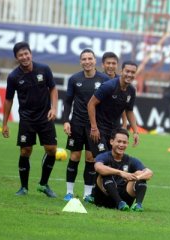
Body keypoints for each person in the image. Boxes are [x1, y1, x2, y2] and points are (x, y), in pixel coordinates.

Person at [2, 42, 58, 198]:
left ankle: (43, 184)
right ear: (16, 58)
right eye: (20, 55)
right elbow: (8, 100)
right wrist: (4, 123)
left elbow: (53, 88)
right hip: (27, 119)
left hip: (45, 117)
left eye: (26, 53)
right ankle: (23, 188)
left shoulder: (44, 69)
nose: (24, 57)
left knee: (52, 149)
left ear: (31, 54)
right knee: (25, 150)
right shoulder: (13, 76)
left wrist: (53, 108)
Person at [62, 49, 110, 202]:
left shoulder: (104, 79)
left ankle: (87, 194)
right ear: (80, 61)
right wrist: (66, 120)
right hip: (77, 123)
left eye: (90, 58)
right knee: (75, 156)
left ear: (95, 61)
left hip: (94, 126)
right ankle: (69, 192)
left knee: (90, 159)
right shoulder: (74, 79)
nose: (87, 61)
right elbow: (68, 101)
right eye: (84, 59)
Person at [93, 128, 153, 211]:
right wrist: (121, 173)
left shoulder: (131, 160)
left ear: (127, 144)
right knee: (105, 174)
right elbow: (98, 167)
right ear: (111, 142)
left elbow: (149, 173)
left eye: (124, 142)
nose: (121, 145)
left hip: (125, 201)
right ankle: (119, 202)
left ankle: (138, 205)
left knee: (141, 175)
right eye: (119, 141)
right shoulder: (104, 156)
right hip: (104, 199)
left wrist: (137, 177)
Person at [88, 60, 140, 149]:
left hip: (114, 130)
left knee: (111, 159)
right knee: (102, 158)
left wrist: (135, 132)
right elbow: (91, 104)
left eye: (133, 72)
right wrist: (94, 128)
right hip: (99, 128)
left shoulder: (131, 90)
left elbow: (129, 110)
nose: (130, 74)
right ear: (121, 71)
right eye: (127, 71)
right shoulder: (109, 86)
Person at [101, 51, 128, 129]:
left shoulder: (122, 81)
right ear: (103, 65)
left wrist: (124, 123)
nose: (111, 66)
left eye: (113, 63)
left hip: (115, 124)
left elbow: (122, 105)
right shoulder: (97, 79)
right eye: (108, 63)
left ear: (117, 65)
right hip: (98, 124)